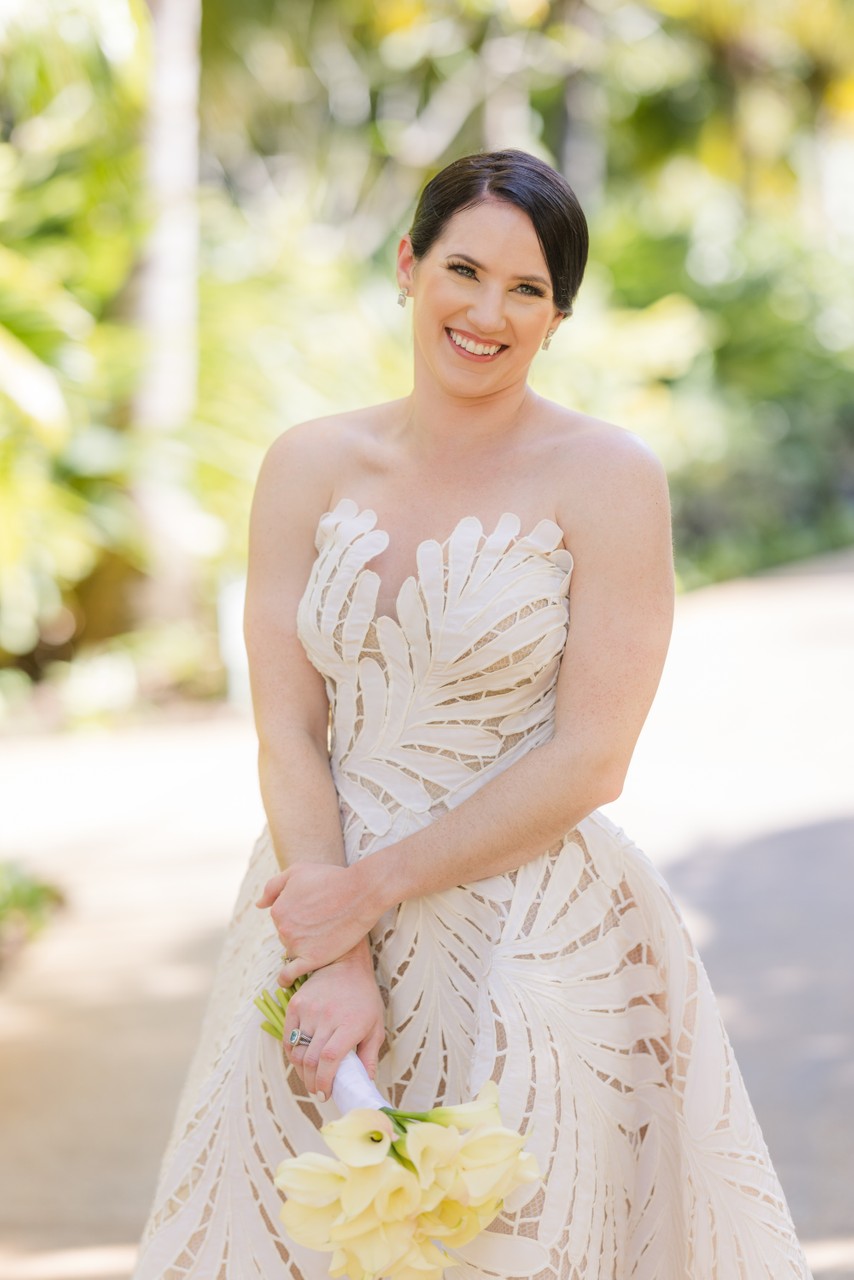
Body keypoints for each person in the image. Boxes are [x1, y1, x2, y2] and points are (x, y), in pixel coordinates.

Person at [132, 150, 812, 1279]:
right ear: (408, 265)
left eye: (528, 289)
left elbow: (593, 757)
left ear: (559, 314)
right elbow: (288, 727)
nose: (486, 311)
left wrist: (367, 890)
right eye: (463, 269)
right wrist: (331, 942)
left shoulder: (606, 475)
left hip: (530, 930)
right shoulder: (305, 465)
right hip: (315, 898)